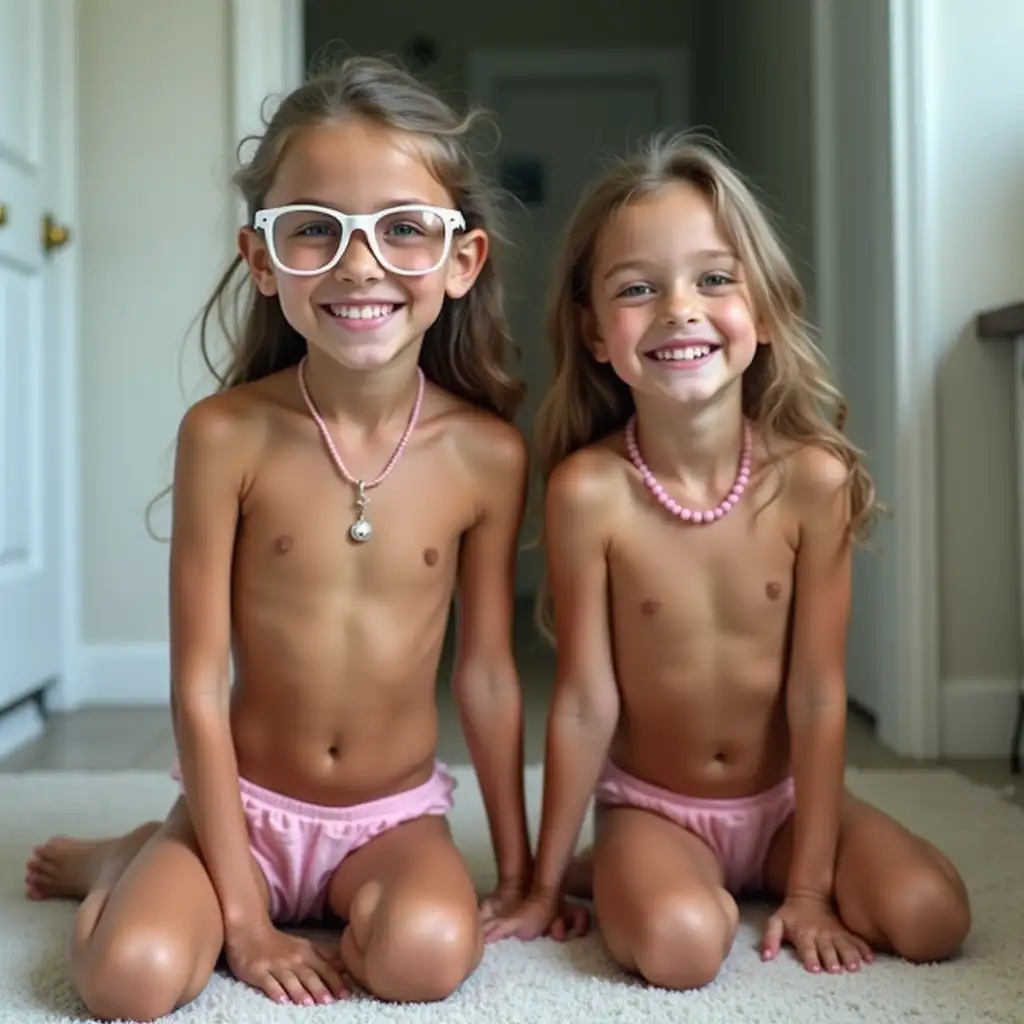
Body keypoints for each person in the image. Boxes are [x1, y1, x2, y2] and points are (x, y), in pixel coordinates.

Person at [24, 56, 536, 1020]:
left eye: (402, 229)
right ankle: (138, 852)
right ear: (264, 260)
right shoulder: (226, 435)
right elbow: (195, 683)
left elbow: (491, 677)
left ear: (459, 261)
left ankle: (170, 864)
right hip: (243, 808)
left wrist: (516, 871)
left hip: (390, 818)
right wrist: (246, 917)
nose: (359, 263)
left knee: (426, 958)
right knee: (124, 985)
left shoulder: (488, 456)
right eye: (315, 230)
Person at [487, 134, 971, 989]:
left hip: (785, 808)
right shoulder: (588, 492)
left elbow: (819, 694)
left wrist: (814, 889)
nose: (680, 308)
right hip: (653, 807)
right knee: (680, 946)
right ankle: (621, 866)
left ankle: (755, 876)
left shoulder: (812, 483)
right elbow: (584, 701)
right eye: (638, 289)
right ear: (595, 333)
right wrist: (536, 882)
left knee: (934, 918)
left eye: (715, 278)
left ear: (769, 310)